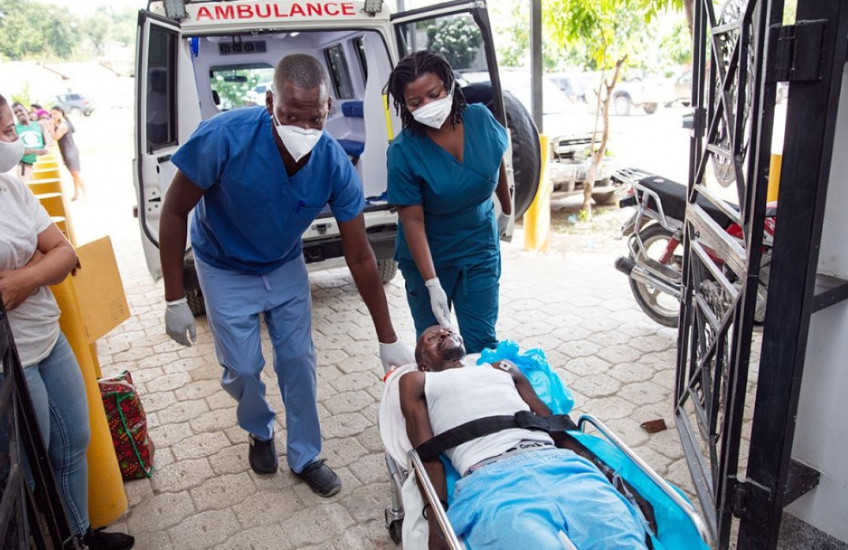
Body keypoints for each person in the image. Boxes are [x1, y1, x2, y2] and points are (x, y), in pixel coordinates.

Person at [159, 53, 414, 497]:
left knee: (298, 361)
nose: (301, 127)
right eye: (288, 115)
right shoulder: (225, 137)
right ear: (269, 100)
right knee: (241, 368)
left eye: (313, 118)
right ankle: (259, 430)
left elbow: (359, 256)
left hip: (282, 263)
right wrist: (174, 298)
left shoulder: (333, 163)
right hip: (223, 264)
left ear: (328, 109)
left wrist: (388, 338)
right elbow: (175, 209)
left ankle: (306, 454)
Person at [0, 93, 134, 550]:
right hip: (9, 360)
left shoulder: (12, 189)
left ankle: (77, 535)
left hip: (47, 335)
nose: (13, 139)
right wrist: (40, 262)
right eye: (4, 132)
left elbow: (64, 253)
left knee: (74, 441)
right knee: (27, 470)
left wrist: (23, 278)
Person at [398, 325, 649, 550]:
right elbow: (428, 455)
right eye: (432, 337)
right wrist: (437, 524)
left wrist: (617, 481)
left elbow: (554, 428)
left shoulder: (502, 368)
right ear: (422, 363)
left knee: (620, 539)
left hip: (558, 464)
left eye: (449, 332)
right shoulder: (417, 380)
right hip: (492, 481)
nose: (443, 334)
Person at [385, 50, 512, 354]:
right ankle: (441, 400)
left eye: (434, 94)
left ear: (449, 85)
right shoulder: (403, 152)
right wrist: (431, 282)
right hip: (428, 255)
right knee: (438, 351)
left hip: (478, 247)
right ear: (405, 106)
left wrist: (506, 209)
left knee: (482, 343)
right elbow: (412, 221)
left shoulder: (480, 118)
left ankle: (483, 400)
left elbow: (497, 160)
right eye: (416, 103)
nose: (427, 106)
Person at [50, 105, 86, 200]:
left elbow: (55, 137)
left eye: (55, 113)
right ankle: (77, 193)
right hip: (67, 151)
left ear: (61, 113)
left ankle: (84, 192)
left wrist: (51, 126)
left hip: (70, 151)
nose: (53, 116)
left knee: (76, 174)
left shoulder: (63, 125)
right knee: (74, 174)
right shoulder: (62, 123)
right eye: (52, 114)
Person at [11, 101, 47, 181]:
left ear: (25, 110)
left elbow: (47, 143)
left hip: (41, 165)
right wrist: (35, 151)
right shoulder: (14, 130)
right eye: (16, 112)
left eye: (20, 110)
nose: (19, 113)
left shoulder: (39, 125)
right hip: (25, 167)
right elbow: (16, 151)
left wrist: (45, 149)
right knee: (30, 191)